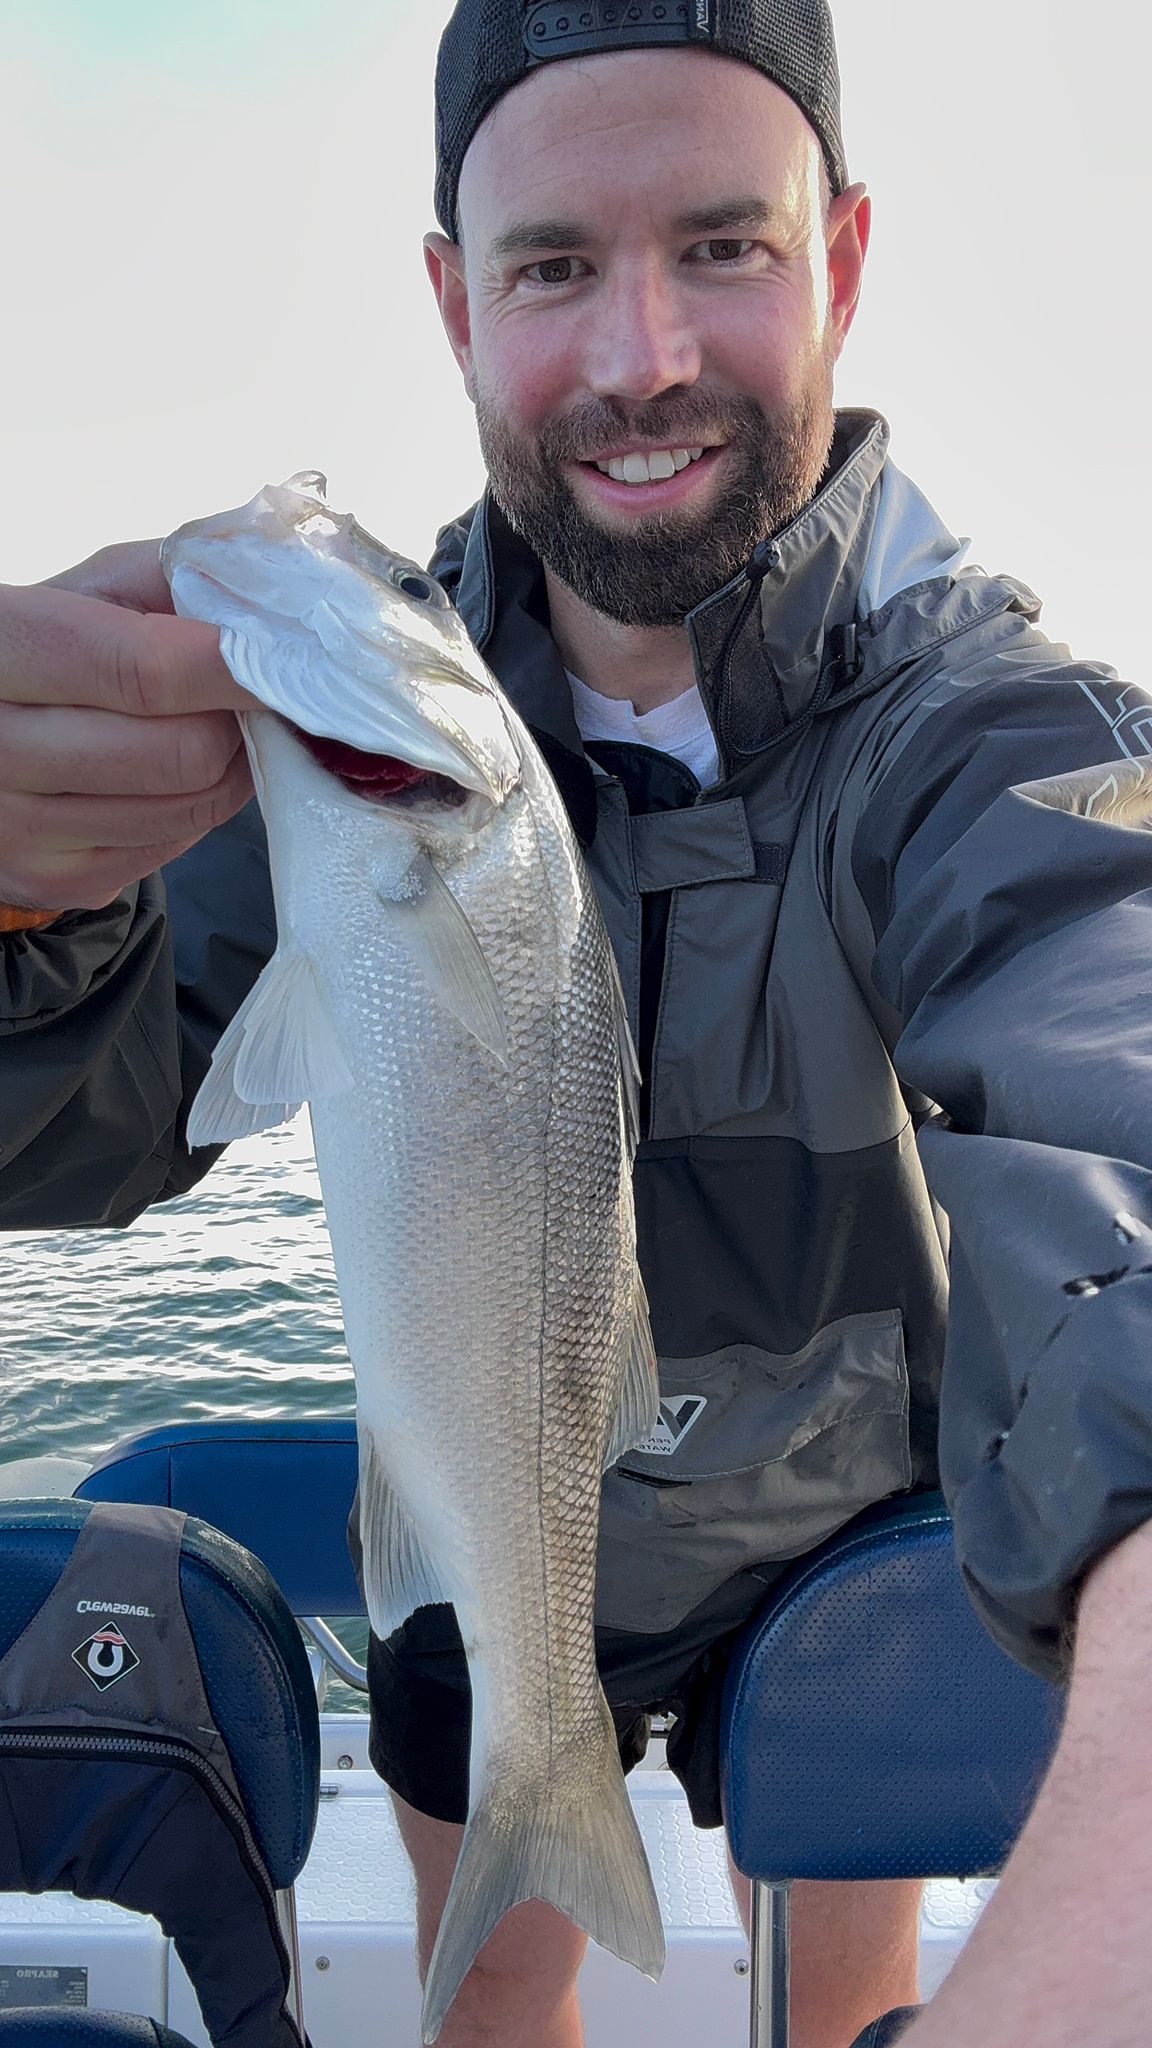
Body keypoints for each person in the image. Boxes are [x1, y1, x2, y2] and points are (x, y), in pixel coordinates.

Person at [2, 3, 1151, 2045]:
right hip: (492, 1505)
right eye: (553, 265)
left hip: (851, 1508)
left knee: (840, 1992)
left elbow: (1113, 1070)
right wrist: (30, 912)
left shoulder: (991, 732)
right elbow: (79, 1129)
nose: (641, 355)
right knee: (492, 2001)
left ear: (841, 262)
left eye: (722, 245)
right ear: (458, 302)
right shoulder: (330, 744)